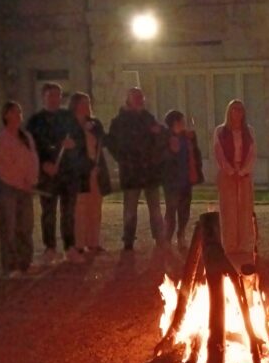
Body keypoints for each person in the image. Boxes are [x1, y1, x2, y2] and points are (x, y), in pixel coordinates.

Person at [105, 87, 167, 251]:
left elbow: (160, 137)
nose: (140, 100)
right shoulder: (120, 121)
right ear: (129, 100)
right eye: (136, 97)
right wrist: (123, 159)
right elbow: (111, 142)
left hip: (150, 171)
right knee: (130, 208)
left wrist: (157, 141)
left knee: (155, 208)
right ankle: (129, 239)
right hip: (131, 171)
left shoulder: (148, 118)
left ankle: (159, 237)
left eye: (141, 97)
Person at [26, 81, 81, 263]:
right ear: (43, 97)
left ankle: (70, 247)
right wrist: (43, 164)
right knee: (48, 212)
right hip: (47, 173)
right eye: (51, 96)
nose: (55, 99)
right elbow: (31, 147)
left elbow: (79, 138)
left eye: (58, 96)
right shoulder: (35, 121)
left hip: (68, 173)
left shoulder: (68, 117)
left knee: (68, 212)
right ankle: (49, 247)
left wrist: (72, 144)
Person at [0, 101, 39, 277]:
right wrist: (19, 179)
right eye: (14, 112)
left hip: (25, 187)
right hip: (8, 188)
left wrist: (31, 179)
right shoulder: (1, 139)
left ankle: (25, 262)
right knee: (8, 227)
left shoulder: (26, 137)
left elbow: (33, 160)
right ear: (6, 115)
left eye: (19, 112)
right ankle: (10, 265)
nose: (18, 115)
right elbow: (3, 164)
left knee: (25, 226)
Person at [69, 92, 111, 254]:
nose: (86, 107)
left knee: (95, 207)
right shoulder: (70, 125)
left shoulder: (94, 123)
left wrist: (95, 129)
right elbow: (75, 150)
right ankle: (79, 243)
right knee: (80, 208)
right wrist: (87, 166)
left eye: (88, 103)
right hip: (80, 172)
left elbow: (102, 141)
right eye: (83, 103)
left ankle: (93, 242)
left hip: (96, 170)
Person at [214, 100, 255, 258]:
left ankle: (245, 244)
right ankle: (230, 244)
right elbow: (219, 153)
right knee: (228, 209)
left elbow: (252, 152)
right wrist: (231, 171)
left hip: (244, 173)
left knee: (245, 208)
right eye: (234, 110)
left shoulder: (249, 131)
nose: (237, 113)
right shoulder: (220, 131)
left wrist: (243, 171)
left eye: (240, 110)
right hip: (227, 174)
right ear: (229, 112)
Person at [162, 110, 203, 250]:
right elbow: (163, 158)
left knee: (184, 210)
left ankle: (181, 234)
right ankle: (167, 237)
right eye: (180, 121)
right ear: (174, 123)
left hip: (186, 179)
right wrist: (171, 150)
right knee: (171, 210)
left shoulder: (188, 137)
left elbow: (196, 155)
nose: (183, 124)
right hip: (172, 181)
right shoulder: (166, 138)